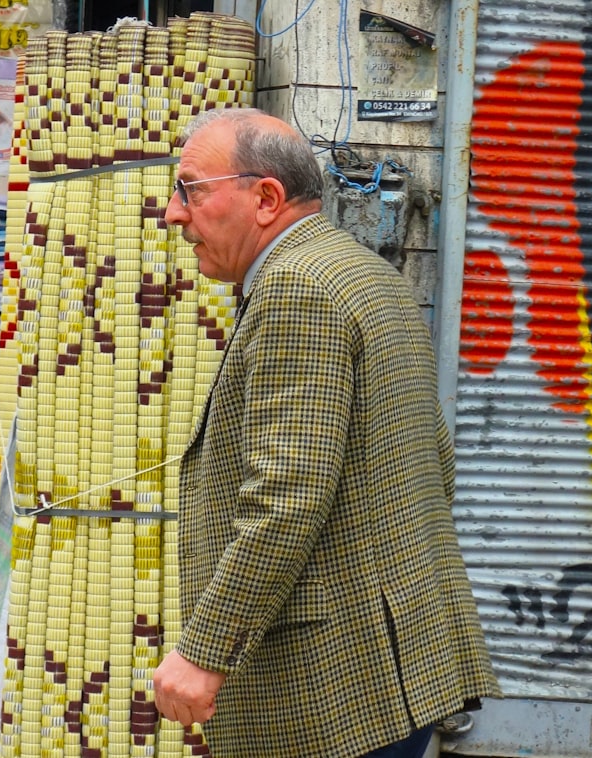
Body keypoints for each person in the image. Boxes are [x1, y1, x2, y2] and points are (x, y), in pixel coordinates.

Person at [153, 107, 500, 758]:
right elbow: (435, 459)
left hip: (335, 679)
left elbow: (286, 497)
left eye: (190, 190)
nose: (174, 214)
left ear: (265, 198)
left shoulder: (297, 289)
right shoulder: (365, 273)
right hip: (397, 662)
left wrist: (204, 651)